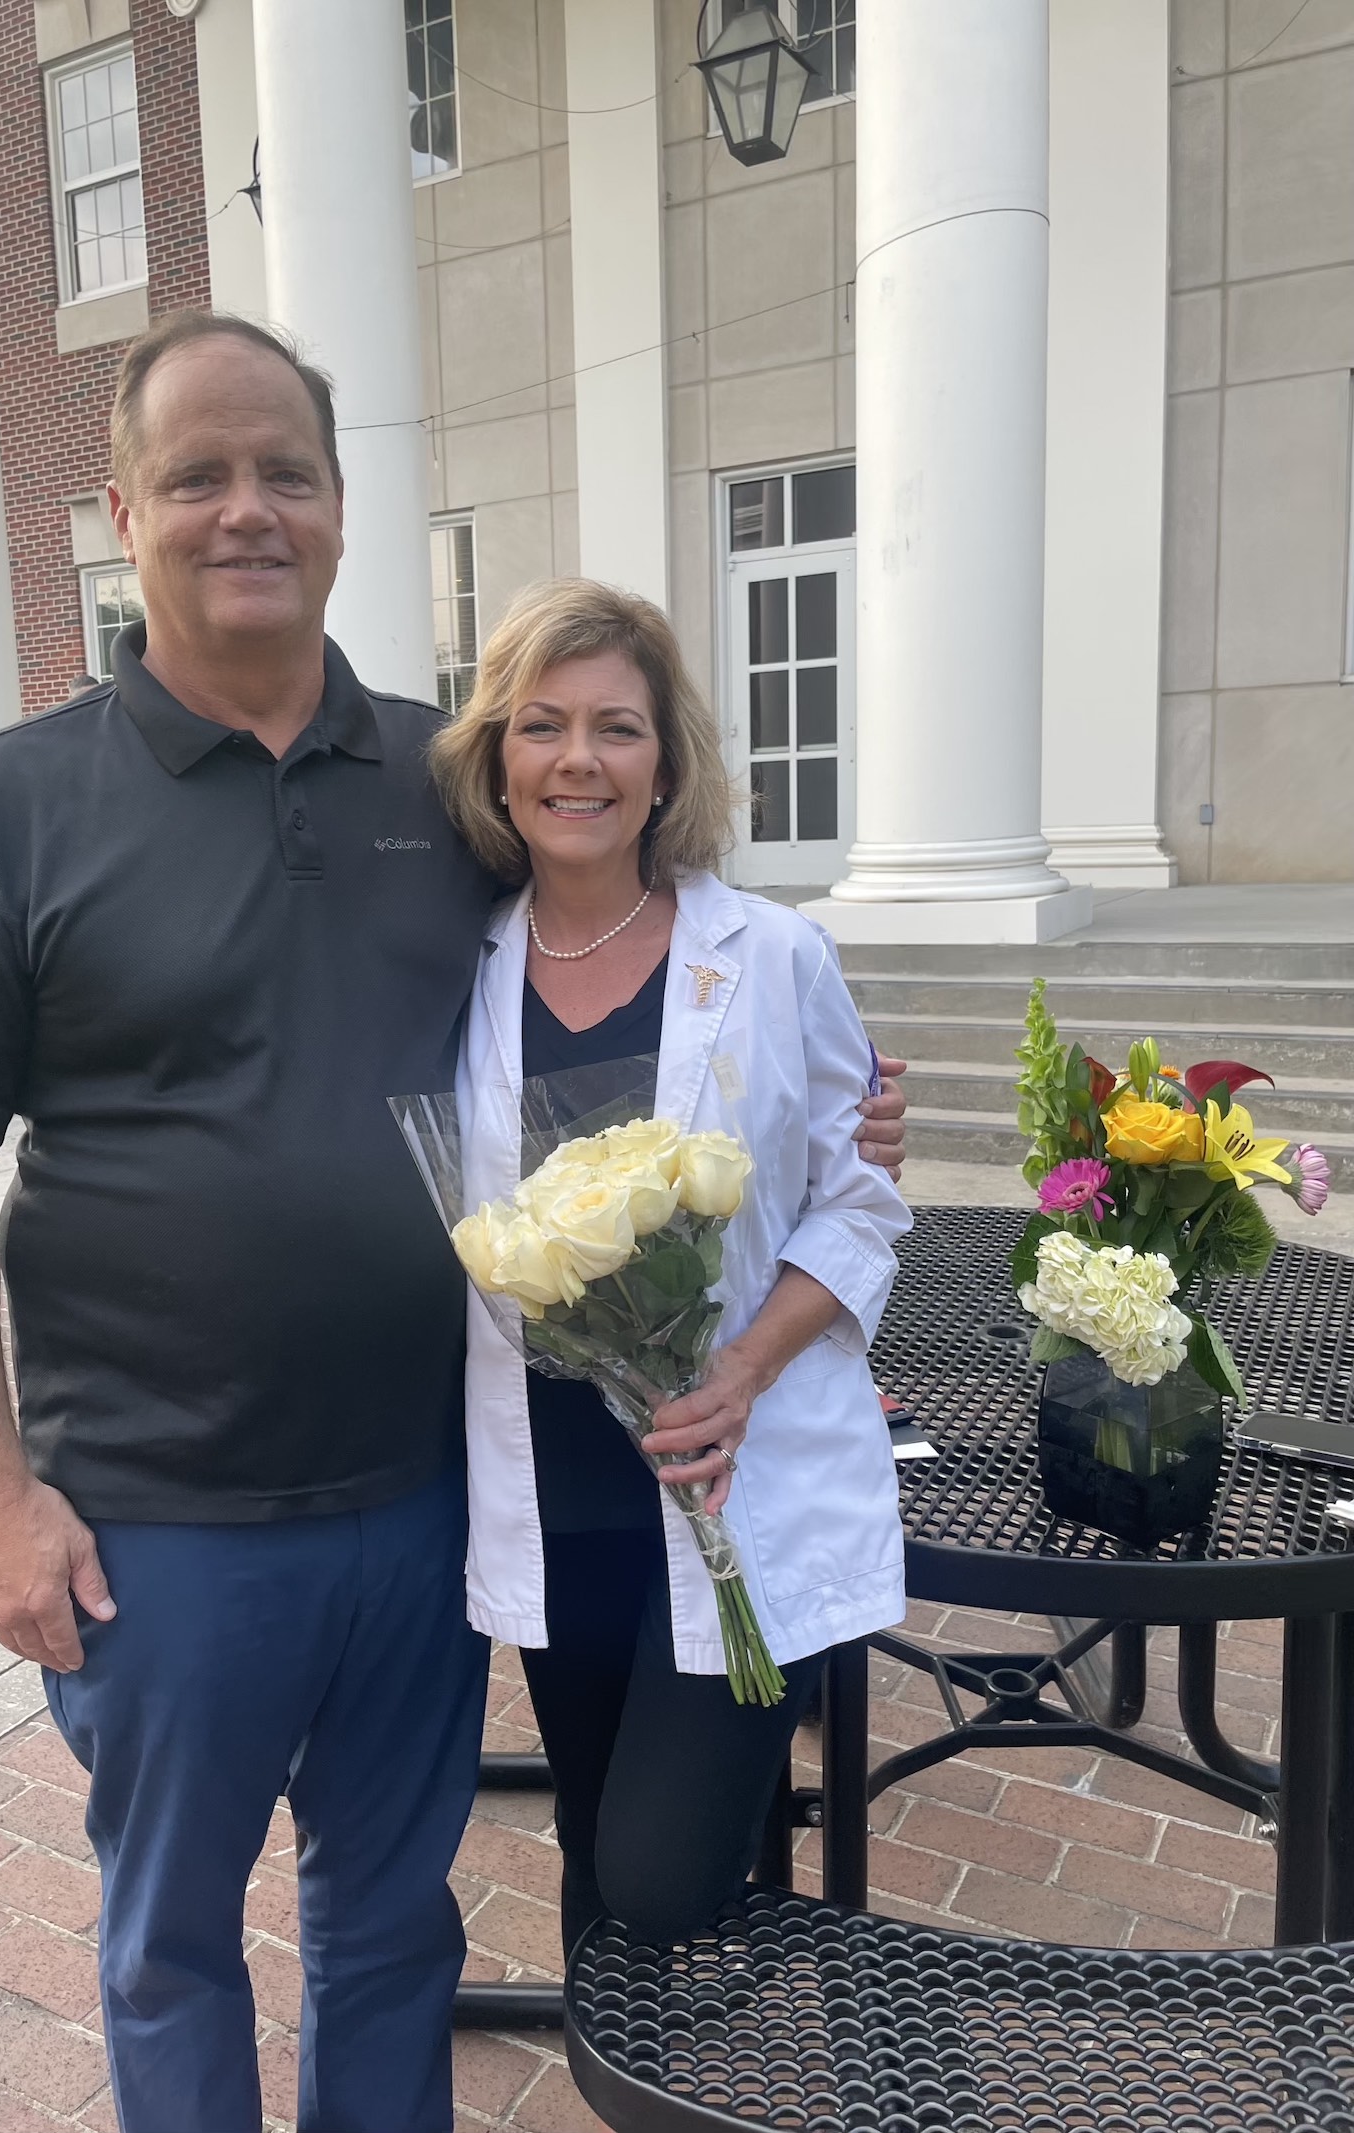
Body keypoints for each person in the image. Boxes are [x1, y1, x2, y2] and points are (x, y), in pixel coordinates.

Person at [0, 312, 907, 2133]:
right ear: (121, 510)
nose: (245, 508)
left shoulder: (448, 785)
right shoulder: (3, 811)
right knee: (173, 1936)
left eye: (286, 473)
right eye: (198, 475)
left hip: (426, 1500)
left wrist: (836, 1092)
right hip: (155, 1522)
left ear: (341, 511)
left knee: (388, 1919)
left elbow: (623, 936)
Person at [430, 578, 912, 1956]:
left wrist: (747, 1368)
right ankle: (646, 2058)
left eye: (617, 728)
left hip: (726, 1471)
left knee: (653, 1871)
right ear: (499, 760)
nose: (578, 758)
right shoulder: (453, 965)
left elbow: (862, 1196)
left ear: (666, 764)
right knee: (598, 1832)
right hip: (555, 1480)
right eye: (542, 725)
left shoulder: (771, 955)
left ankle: (695, 1947)